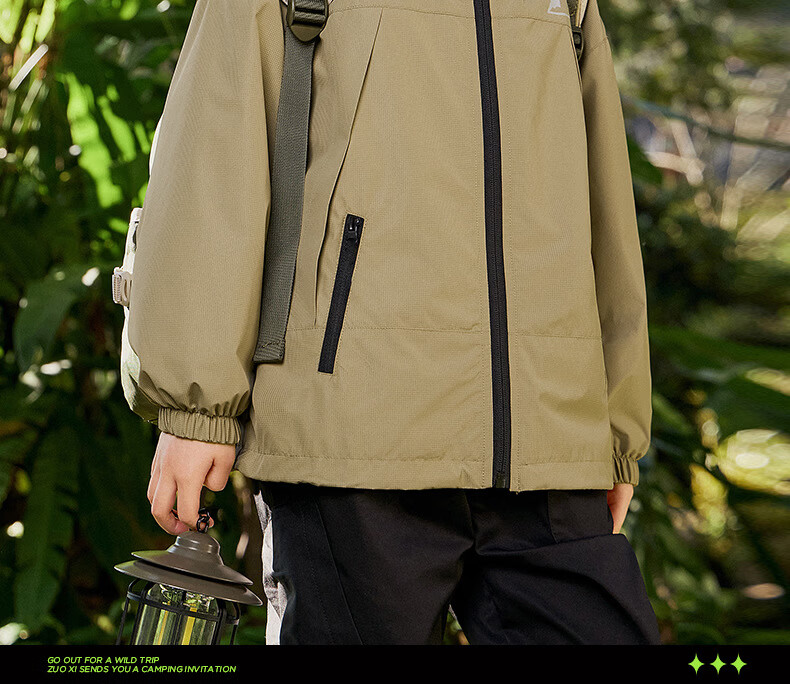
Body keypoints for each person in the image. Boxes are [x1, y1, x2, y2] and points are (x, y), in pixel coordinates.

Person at [119, 0, 662, 645]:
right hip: (351, 437)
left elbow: (601, 195)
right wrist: (195, 408)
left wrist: (613, 430)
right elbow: (213, 152)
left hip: (545, 437)